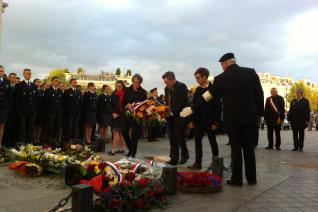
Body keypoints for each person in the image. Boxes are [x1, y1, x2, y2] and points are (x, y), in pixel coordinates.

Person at [181, 53, 264, 186]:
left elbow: (208, 95)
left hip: (233, 119)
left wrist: (192, 108)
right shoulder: (250, 72)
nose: (221, 67)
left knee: (236, 149)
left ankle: (237, 179)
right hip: (250, 118)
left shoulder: (221, 78)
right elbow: (259, 94)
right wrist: (259, 114)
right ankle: (251, 179)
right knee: (249, 149)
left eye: (221, 64)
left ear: (225, 63)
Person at [188, 67, 221, 170]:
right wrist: (192, 120)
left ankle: (215, 163)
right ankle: (198, 163)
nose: (196, 80)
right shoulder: (197, 90)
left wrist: (216, 122)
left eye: (198, 78)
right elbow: (195, 106)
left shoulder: (213, 88)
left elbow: (218, 106)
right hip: (199, 121)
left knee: (212, 141)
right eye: (196, 78)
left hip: (211, 121)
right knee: (197, 141)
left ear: (204, 77)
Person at [162, 71, 189, 165]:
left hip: (180, 116)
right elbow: (167, 102)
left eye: (167, 82)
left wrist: (172, 112)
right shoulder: (166, 89)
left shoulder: (181, 86)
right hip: (170, 117)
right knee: (172, 137)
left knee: (178, 137)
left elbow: (182, 102)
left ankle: (185, 154)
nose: (166, 84)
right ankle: (173, 158)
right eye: (165, 82)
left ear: (173, 79)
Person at [122, 74, 147, 157]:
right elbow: (123, 103)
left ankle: (133, 154)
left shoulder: (143, 92)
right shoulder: (127, 90)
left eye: (139, 83)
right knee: (124, 132)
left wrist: (139, 108)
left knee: (134, 135)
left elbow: (144, 106)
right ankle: (131, 149)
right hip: (128, 114)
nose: (137, 84)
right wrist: (126, 105)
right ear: (132, 82)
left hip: (137, 116)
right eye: (135, 82)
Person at [15, 68, 38, 144]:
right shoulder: (19, 85)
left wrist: (35, 110)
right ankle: (22, 143)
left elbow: (35, 99)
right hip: (23, 111)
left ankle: (30, 143)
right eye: (27, 73)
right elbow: (17, 99)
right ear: (24, 74)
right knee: (22, 128)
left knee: (30, 128)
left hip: (32, 111)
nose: (29, 75)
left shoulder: (33, 86)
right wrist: (19, 111)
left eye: (30, 73)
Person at [109, 81, 126, 155]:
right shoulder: (113, 94)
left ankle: (113, 150)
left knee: (116, 133)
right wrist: (112, 113)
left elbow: (125, 106)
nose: (118, 88)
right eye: (117, 86)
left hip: (121, 116)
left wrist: (118, 114)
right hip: (113, 116)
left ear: (123, 87)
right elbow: (110, 105)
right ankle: (122, 148)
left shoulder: (125, 94)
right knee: (119, 133)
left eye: (120, 86)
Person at [44, 77, 63, 142]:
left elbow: (61, 102)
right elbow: (46, 103)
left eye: (58, 81)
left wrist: (60, 112)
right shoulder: (48, 90)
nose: (57, 82)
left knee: (57, 128)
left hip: (58, 113)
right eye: (56, 81)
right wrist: (47, 113)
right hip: (51, 113)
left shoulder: (60, 91)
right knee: (50, 128)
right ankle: (49, 141)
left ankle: (56, 141)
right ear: (52, 82)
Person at [3, 72, 17, 147]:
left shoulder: (17, 86)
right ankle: (6, 142)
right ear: (9, 78)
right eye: (12, 77)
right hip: (7, 110)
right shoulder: (6, 86)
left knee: (14, 127)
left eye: (15, 77)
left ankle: (13, 142)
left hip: (15, 111)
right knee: (6, 127)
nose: (14, 79)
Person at [0, 65, 12, 149]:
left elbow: (9, 95)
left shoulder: (6, 81)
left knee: (2, 126)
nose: (1, 72)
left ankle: (0, 144)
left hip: (4, 107)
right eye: (0, 71)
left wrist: (8, 107)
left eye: (2, 71)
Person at [33, 78, 45, 144]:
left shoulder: (42, 91)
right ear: (34, 83)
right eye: (37, 82)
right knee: (34, 125)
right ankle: (34, 139)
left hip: (41, 111)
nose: (38, 83)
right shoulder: (32, 90)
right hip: (34, 110)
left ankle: (38, 139)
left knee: (39, 125)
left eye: (39, 82)